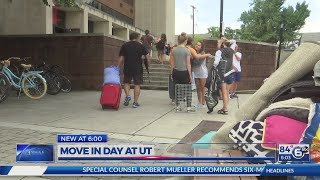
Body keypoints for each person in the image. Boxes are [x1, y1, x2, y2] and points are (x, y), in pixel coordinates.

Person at [118, 32, 150, 108]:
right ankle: (135, 103)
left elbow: (121, 58)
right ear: (137, 37)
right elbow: (148, 57)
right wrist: (148, 64)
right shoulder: (141, 46)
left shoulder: (125, 45)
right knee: (137, 84)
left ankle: (128, 95)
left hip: (127, 66)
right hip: (137, 67)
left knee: (126, 82)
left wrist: (118, 66)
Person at [185, 37, 211, 107]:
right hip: (195, 71)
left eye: (199, 45)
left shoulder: (203, 53)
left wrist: (194, 57)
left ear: (201, 47)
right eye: (196, 44)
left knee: (203, 88)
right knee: (198, 87)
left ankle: (203, 102)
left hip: (202, 72)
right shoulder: (193, 52)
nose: (197, 46)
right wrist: (195, 56)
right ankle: (199, 102)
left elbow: (198, 62)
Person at [213, 38, 235, 115]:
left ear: (222, 44)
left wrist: (219, 43)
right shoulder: (232, 49)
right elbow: (234, 41)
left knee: (224, 92)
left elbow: (215, 63)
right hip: (231, 72)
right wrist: (226, 40)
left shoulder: (219, 51)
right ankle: (224, 107)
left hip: (223, 74)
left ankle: (225, 109)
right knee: (227, 92)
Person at [171, 33, 192, 112]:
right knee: (187, 89)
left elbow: (172, 63)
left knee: (177, 89)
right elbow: (188, 64)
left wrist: (171, 73)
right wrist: (190, 75)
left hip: (176, 71)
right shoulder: (187, 50)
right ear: (185, 41)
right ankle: (188, 107)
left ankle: (178, 106)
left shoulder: (173, 50)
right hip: (184, 72)